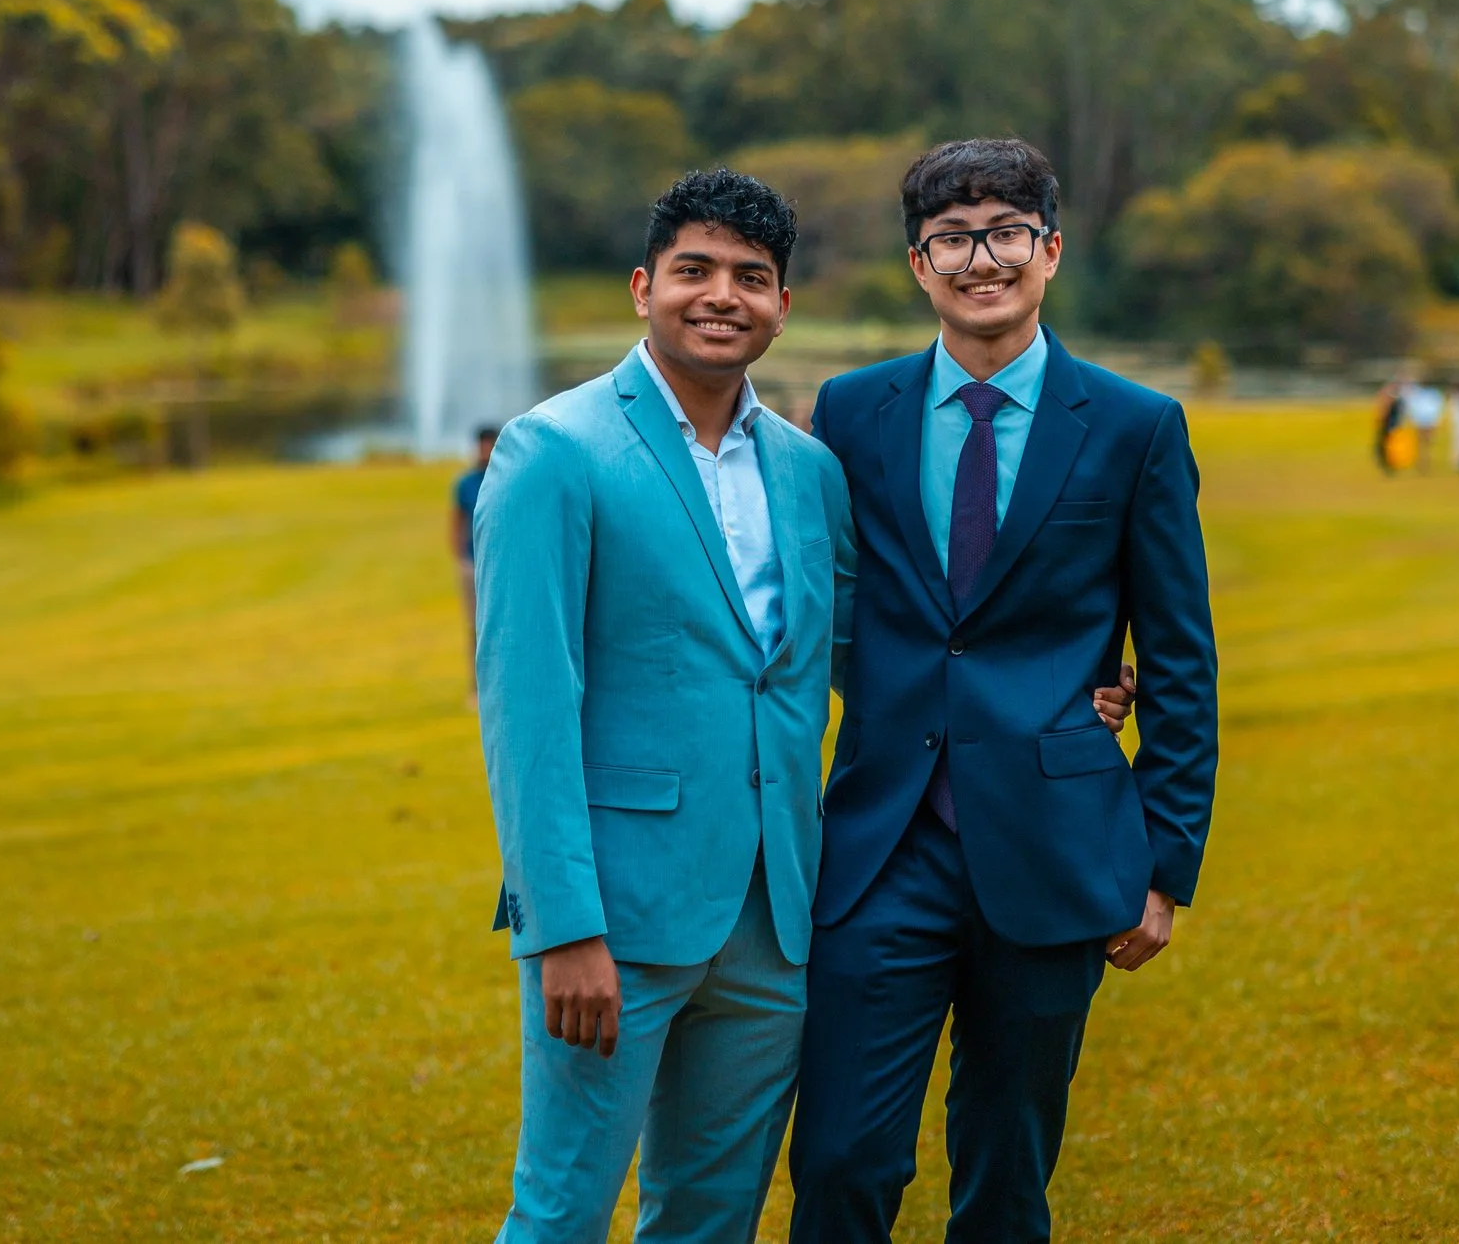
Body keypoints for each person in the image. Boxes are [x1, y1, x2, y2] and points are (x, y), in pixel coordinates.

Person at [471, 167, 1144, 1244]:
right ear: (643, 286)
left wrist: (1055, 700)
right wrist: (563, 927)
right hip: (617, 916)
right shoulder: (554, 451)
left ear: (783, 306)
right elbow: (528, 709)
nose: (720, 295)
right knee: (558, 1212)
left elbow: (872, 652)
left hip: (777, 921)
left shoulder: (807, 466)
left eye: (751, 276)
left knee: (709, 1215)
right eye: (693, 270)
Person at [789, 139, 1218, 1244]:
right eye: (951, 237)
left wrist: (1164, 865)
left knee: (1005, 1167)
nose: (981, 258)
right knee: (840, 1156)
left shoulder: (1134, 427)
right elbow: (829, 612)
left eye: (1005, 232)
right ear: (918, 264)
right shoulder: (850, 412)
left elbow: (1179, 658)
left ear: (1049, 249)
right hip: (884, 844)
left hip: (1053, 842)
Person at [454, 425, 500, 677]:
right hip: (473, 561)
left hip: (499, 561)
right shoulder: (466, 483)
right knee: (474, 625)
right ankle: (476, 683)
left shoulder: (504, 477)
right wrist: (461, 558)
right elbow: (457, 522)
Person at [1403, 378, 1446, 474]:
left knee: (1426, 443)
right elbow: (1413, 406)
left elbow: (1437, 407)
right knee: (1421, 443)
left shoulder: (1432, 393)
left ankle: (1425, 460)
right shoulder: (1419, 393)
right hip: (1421, 420)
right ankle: (1422, 460)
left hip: (1427, 420)